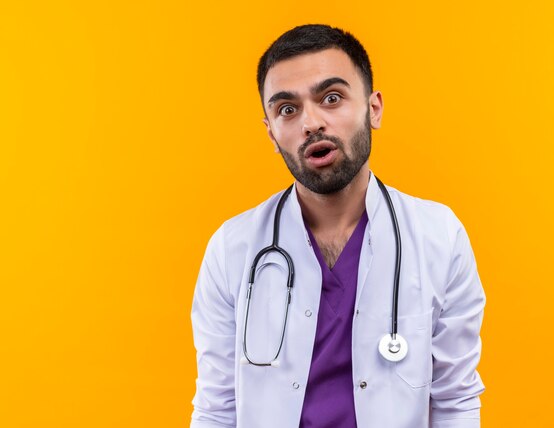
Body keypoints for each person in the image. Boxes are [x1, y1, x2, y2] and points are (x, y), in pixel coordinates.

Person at [191, 24, 485, 428]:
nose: (311, 122)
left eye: (331, 98)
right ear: (272, 134)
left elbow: (456, 401)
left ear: (373, 108)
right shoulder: (232, 249)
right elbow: (216, 409)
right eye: (287, 109)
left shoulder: (439, 237)